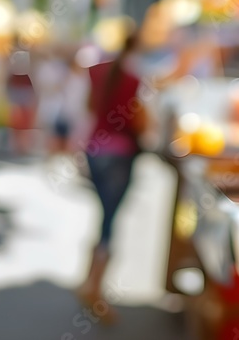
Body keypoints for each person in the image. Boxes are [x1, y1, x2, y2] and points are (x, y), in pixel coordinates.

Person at [77, 27, 145, 322]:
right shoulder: (132, 78)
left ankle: (89, 282)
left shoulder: (99, 71)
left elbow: (90, 107)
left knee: (104, 217)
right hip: (117, 154)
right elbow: (139, 120)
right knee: (109, 220)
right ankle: (95, 288)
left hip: (95, 149)